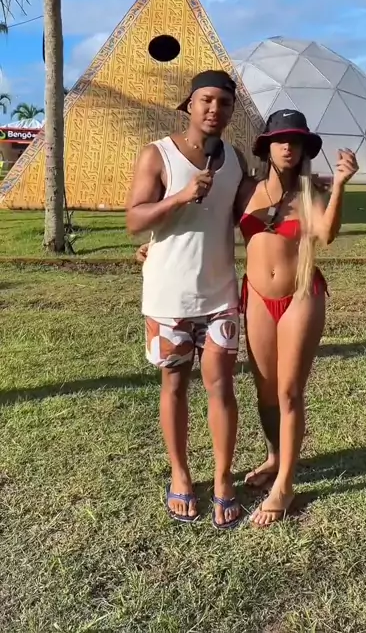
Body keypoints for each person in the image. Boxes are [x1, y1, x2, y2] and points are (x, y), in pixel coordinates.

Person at [126, 69, 248, 529]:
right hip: (168, 297)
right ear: (189, 105)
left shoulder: (235, 160)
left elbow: (245, 216)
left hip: (220, 296)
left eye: (225, 103)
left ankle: (222, 480)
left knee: (222, 387)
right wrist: (180, 196)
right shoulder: (157, 154)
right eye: (207, 100)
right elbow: (134, 221)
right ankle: (180, 474)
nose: (215, 109)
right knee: (174, 386)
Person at [236, 109, 358, 527]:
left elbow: (326, 234)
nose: (288, 146)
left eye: (296, 140)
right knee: (265, 393)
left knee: (289, 392)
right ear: (266, 147)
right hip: (256, 297)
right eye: (280, 140)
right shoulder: (245, 190)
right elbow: (206, 225)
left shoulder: (313, 193)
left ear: (305, 148)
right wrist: (156, 247)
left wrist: (339, 184)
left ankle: (284, 486)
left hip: (300, 295)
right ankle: (274, 458)